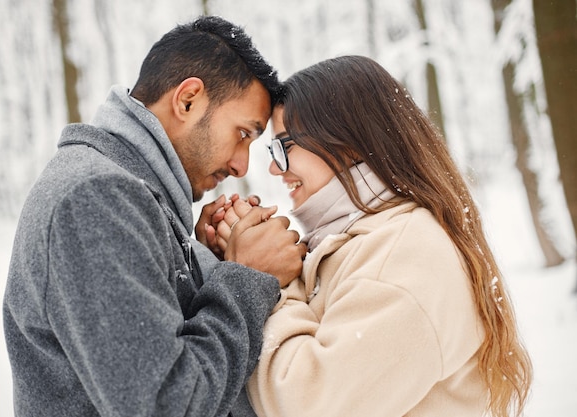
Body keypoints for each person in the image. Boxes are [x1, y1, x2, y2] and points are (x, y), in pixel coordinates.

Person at [3, 16, 306, 417]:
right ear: (187, 100)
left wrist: (204, 262)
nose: (241, 165)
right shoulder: (96, 199)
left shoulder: (126, 193)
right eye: (243, 133)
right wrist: (247, 276)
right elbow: (166, 404)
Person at [214, 55, 532, 417]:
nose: (274, 167)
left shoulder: (407, 255)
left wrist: (267, 281)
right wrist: (235, 253)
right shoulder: (368, 240)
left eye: (284, 147)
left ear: (346, 141)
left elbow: (307, 403)